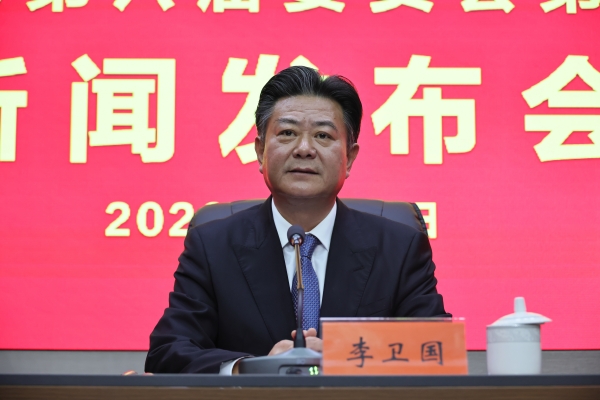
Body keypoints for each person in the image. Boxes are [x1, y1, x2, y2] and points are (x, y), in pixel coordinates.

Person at [145, 66, 450, 374]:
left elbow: (437, 352)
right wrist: (250, 369)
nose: (304, 149)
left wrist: (344, 356)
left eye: (323, 135)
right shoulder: (212, 246)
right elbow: (169, 351)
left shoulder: (399, 248)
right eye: (288, 133)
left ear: (350, 158)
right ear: (260, 151)